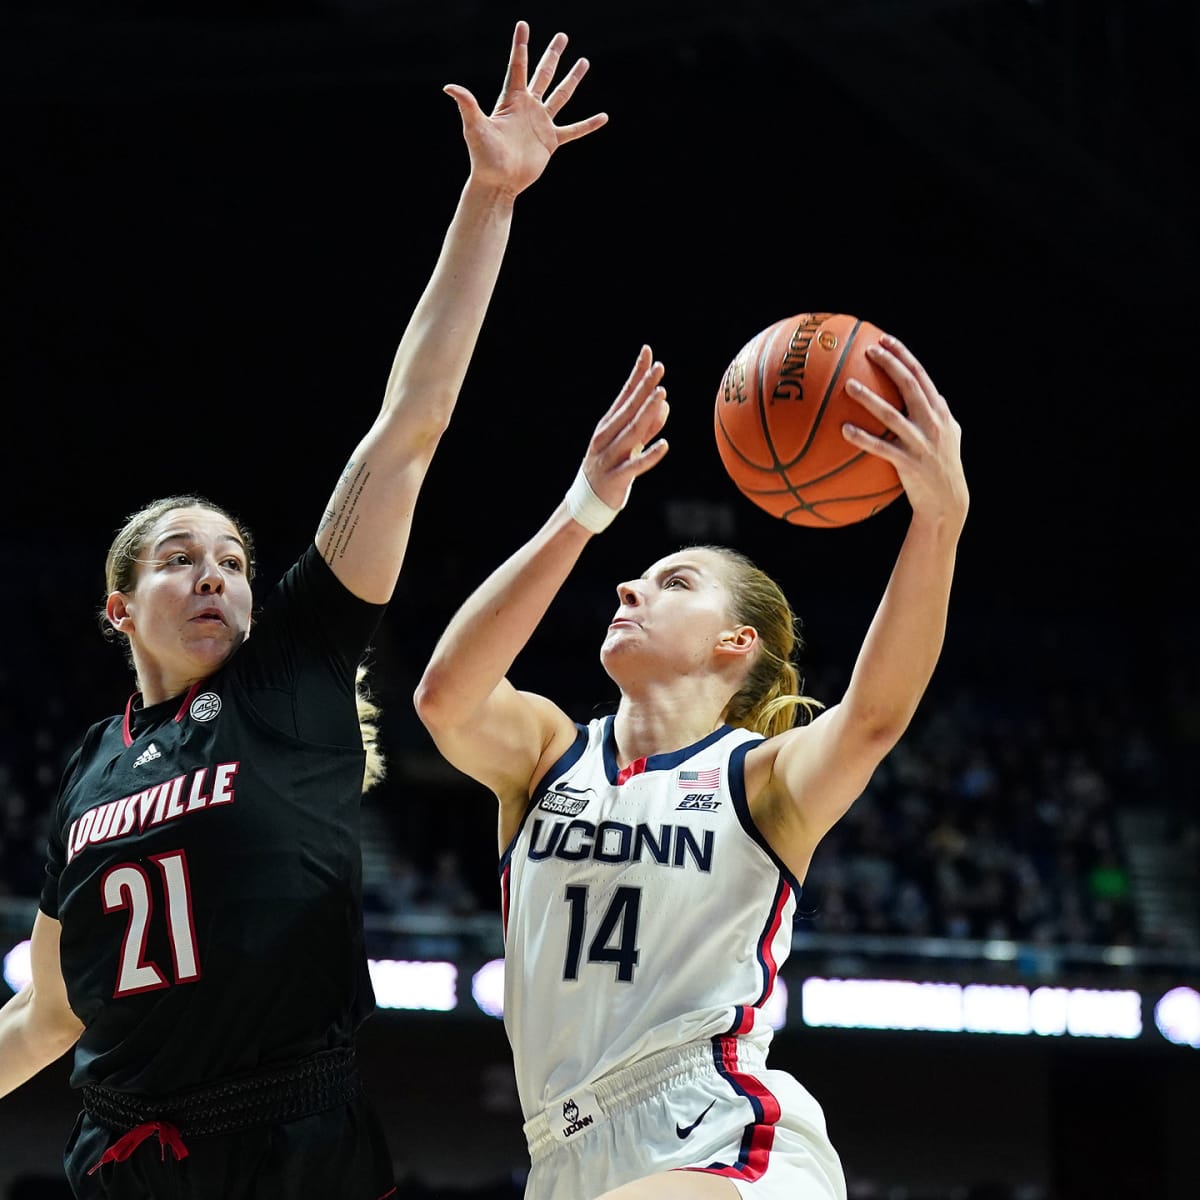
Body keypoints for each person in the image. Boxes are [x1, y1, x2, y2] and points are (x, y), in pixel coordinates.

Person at [0, 20, 607, 1199]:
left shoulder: (289, 669)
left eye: (233, 556)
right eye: (183, 559)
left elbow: (411, 425)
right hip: (121, 1156)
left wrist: (489, 200)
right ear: (120, 610)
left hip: (294, 1148)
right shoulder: (87, 772)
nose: (220, 573)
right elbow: (47, 1013)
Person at [414, 335, 968, 1199]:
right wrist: (582, 510)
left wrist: (938, 522)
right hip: (560, 1151)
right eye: (632, 580)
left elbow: (873, 719)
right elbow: (444, 697)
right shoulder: (548, 754)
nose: (630, 591)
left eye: (673, 583)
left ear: (734, 643)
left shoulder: (760, 780)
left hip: (715, 1125)